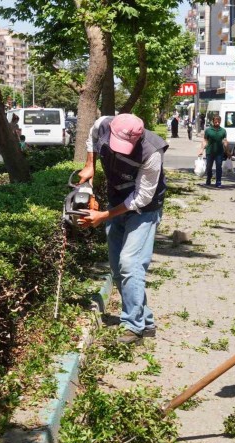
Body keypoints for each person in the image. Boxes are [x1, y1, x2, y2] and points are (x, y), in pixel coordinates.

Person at [77, 114, 168, 345]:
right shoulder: (103, 124)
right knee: (118, 268)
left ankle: (133, 327)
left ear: (138, 138)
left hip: (144, 209)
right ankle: (145, 321)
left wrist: (103, 216)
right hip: (115, 199)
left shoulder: (152, 151)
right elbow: (91, 136)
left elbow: (142, 197)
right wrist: (90, 165)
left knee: (130, 262)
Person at [198, 115, 228, 187]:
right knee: (209, 167)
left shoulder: (223, 131)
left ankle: (218, 182)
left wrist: (227, 151)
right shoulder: (208, 130)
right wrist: (201, 150)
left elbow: (225, 141)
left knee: (218, 167)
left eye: (218, 122)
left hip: (219, 153)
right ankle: (208, 178)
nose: (217, 123)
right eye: (215, 121)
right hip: (209, 152)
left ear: (220, 122)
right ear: (213, 121)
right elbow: (205, 140)